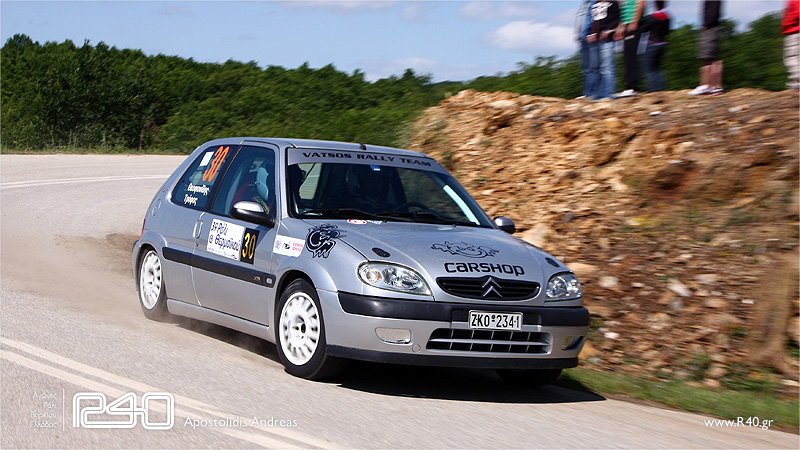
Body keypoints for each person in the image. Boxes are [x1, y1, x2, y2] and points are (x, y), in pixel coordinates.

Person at [689, 0, 724, 96]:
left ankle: (706, 86)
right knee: (713, 58)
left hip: (710, 28)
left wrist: (707, 25)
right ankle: (715, 87)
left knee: (706, 57)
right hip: (713, 27)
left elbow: (712, 10)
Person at [587, 0, 620, 99]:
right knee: (595, 68)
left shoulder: (612, 2)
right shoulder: (595, 4)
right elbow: (594, 21)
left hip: (607, 38)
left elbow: (617, 18)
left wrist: (610, 30)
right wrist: (591, 33)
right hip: (596, 38)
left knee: (607, 68)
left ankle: (608, 94)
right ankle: (597, 94)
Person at [614, 0, 646, 97]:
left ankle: (633, 87)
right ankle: (628, 86)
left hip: (634, 23)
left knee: (631, 54)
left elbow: (641, 2)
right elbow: (623, 9)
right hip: (627, 24)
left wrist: (634, 21)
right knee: (627, 55)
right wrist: (620, 26)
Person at [639, 0, 671, 92]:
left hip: (652, 44)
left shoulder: (653, 17)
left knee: (650, 69)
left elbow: (643, 29)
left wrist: (644, 19)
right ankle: (662, 88)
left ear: (656, 4)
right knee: (658, 68)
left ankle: (652, 89)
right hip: (662, 43)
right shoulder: (667, 17)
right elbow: (667, 31)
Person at [576, 0, 599, 99]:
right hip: (582, 37)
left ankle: (593, 92)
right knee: (585, 67)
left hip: (590, 36)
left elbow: (594, 19)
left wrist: (591, 32)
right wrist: (578, 33)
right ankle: (587, 92)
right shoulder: (584, 5)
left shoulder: (594, 3)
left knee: (593, 66)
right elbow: (580, 20)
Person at [782, 0, 799, 91]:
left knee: (792, 59)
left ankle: (797, 85)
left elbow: (796, 13)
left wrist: (786, 23)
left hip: (795, 32)